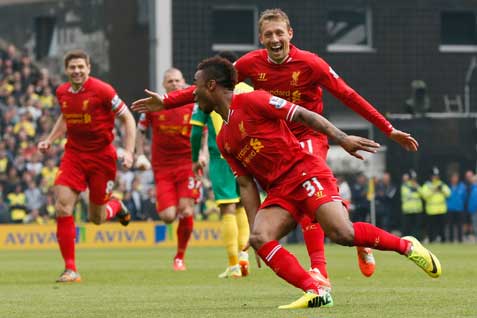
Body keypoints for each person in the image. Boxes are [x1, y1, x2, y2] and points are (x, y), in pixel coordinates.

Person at [132, 8, 423, 282]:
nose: (274, 39)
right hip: (277, 139)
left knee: (309, 200)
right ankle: (356, 236)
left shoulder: (310, 63)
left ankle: (319, 270)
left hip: (309, 134)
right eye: (268, 35)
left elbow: (347, 95)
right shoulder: (249, 64)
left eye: (279, 33)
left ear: (290, 34)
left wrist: (388, 129)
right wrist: (167, 101)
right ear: (261, 39)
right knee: (311, 205)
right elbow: (211, 84)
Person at [38, 49, 136, 283]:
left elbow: (127, 118)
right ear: (66, 70)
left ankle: (115, 206)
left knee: (97, 218)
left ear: (88, 68)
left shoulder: (103, 91)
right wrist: (50, 140)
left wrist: (129, 152)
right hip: (73, 155)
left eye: (81, 66)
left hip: (102, 158)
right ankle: (70, 269)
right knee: (62, 206)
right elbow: (66, 116)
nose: (77, 71)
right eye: (72, 67)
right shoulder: (62, 91)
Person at [190, 51, 252, 278]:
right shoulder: (249, 90)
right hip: (247, 154)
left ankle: (234, 263)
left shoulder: (208, 91)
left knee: (227, 207)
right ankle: (245, 255)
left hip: (221, 156)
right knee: (243, 205)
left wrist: (195, 158)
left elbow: (196, 131)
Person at [135, 68, 199, 271]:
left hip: (187, 164)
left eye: (177, 80)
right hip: (162, 167)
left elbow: (203, 132)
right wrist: (140, 154)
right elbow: (140, 131)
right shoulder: (154, 105)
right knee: (168, 217)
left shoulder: (193, 105)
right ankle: (179, 209)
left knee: (187, 209)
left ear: (184, 82)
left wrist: (203, 155)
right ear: (164, 85)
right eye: (170, 81)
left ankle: (179, 257)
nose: (174, 84)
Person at [421, 167, 451, 243]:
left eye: (436, 175)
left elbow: (449, 193)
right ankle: (431, 240)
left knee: (442, 227)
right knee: (431, 227)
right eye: (434, 175)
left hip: (441, 209)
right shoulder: (427, 185)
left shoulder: (441, 184)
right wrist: (434, 190)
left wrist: (442, 189)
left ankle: (443, 240)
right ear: (430, 176)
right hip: (431, 210)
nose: (435, 177)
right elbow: (424, 195)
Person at [401, 170, 424, 240]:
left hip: (417, 210)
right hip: (408, 210)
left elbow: (423, 194)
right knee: (407, 227)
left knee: (417, 227)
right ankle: (406, 240)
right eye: (412, 178)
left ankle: (417, 240)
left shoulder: (417, 186)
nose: (414, 180)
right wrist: (416, 193)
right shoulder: (405, 186)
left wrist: (417, 188)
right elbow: (407, 195)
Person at [446, 172, 466, 242]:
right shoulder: (448, 186)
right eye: (453, 177)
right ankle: (451, 240)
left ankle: (460, 240)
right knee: (450, 225)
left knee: (459, 225)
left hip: (459, 209)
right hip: (450, 209)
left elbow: (464, 197)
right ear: (451, 178)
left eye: (456, 177)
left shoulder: (462, 186)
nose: (455, 179)